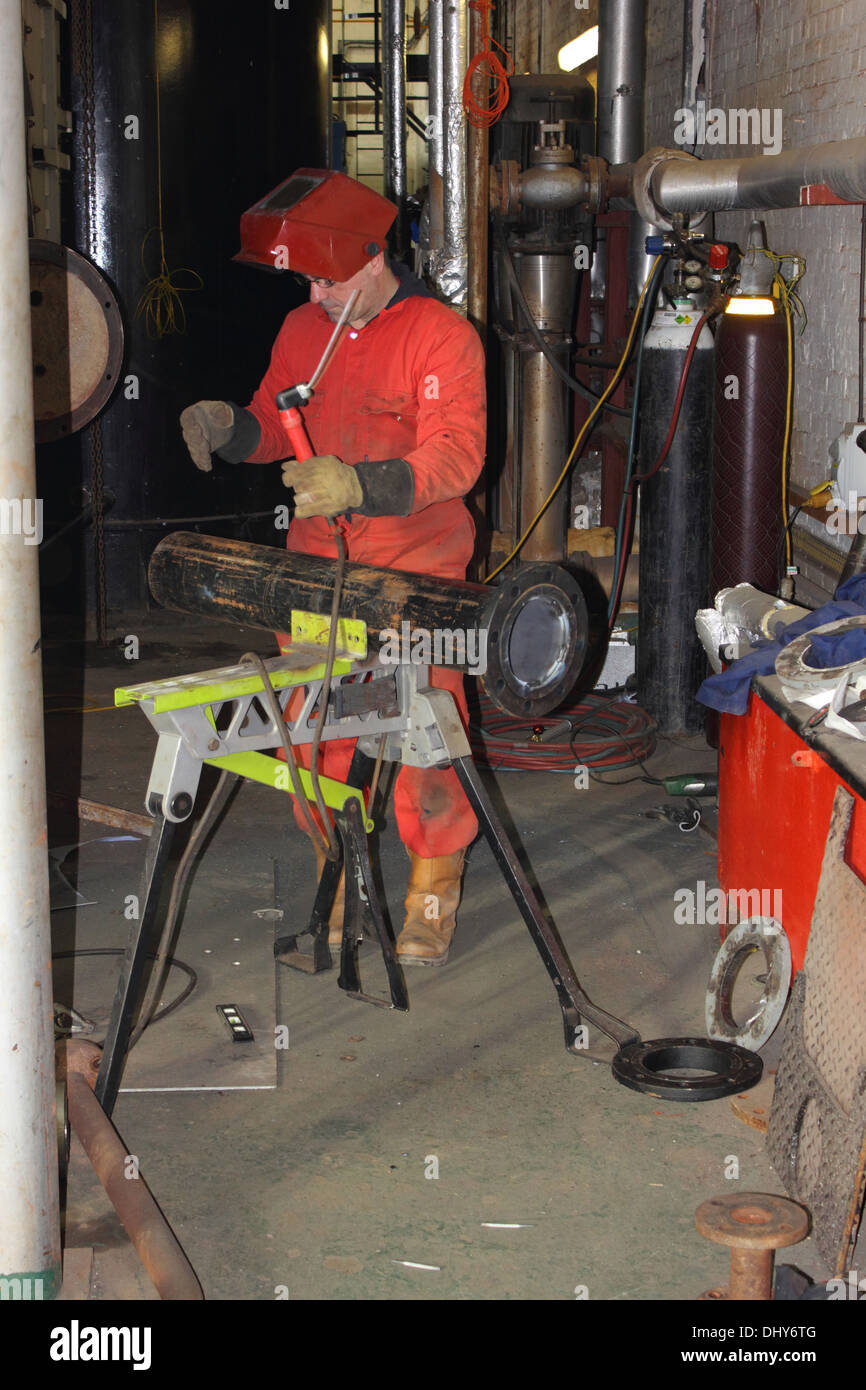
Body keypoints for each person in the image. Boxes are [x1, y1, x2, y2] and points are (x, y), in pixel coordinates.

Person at [179, 169, 486, 966]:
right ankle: (337, 875)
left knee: (427, 735)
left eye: (327, 276)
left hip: (416, 573)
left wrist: (361, 482)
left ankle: (433, 888)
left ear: (371, 255)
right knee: (312, 732)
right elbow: (278, 423)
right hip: (318, 570)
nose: (316, 292)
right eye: (307, 278)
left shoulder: (439, 336)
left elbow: (458, 457)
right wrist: (231, 428)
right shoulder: (301, 330)